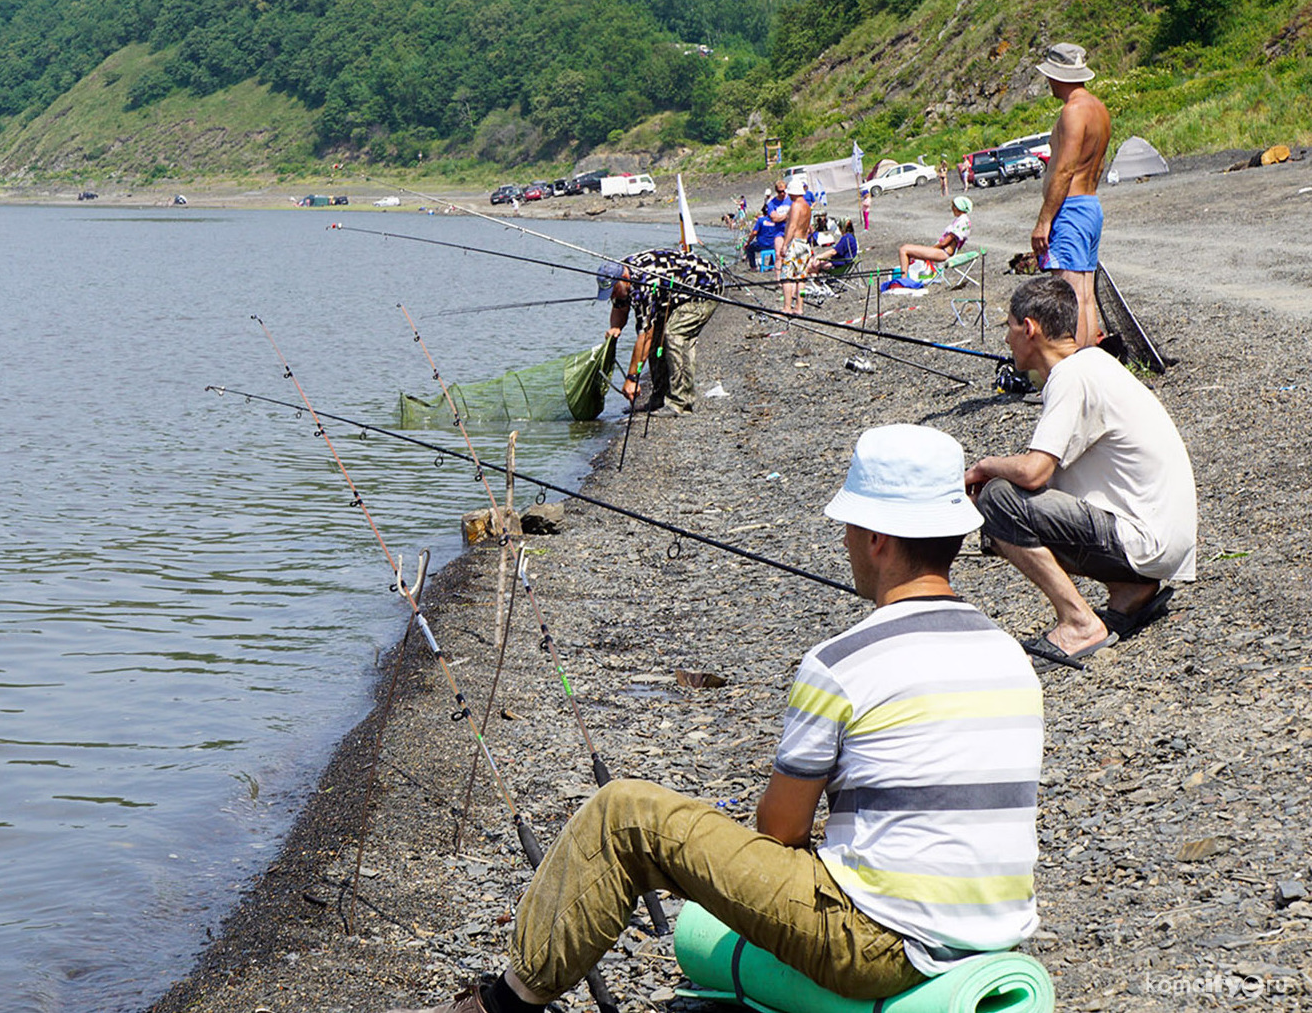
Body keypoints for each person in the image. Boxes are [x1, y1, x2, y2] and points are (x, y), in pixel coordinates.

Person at [389, 425, 1043, 1013]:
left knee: (625, 814)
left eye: (847, 527)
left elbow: (779, 831)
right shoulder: (1009, 654)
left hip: (879, 946)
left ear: (875, 539)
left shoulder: (843, 663)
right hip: (995, 931)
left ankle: (501, 1005)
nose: (843, 541)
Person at [965, 277, 1197, 666]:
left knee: (999, 499)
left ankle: (1078, 622)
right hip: (1161, 539)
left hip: (1144, 539)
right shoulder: (1093, 366)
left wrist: (984, 468)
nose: (1006, 339)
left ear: (1029, 327)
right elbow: (1049, 480)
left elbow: (1035, 472)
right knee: (1006, 503)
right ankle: (1129, 589)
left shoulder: (1072, 376)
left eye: (1008, 326)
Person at [1032, 42, 1112, 349]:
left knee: (1070, 296)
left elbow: (1065, 170)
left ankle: (1077, 373)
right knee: (1087, 295)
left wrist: (1044, 222)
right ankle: (1090, 366)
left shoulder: (1073, 111)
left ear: (1058, 76)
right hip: (1090, 204)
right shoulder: (1099, 110)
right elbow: (1098, 163)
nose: (1048, 82)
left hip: (1072, 208)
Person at [598, 247, 721, 416]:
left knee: (674, 336)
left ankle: (681, 403)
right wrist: (615, 327)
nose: (613, 296)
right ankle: (658, 398)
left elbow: (645, 336)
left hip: (703, 288)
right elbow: (620, 306)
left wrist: (632, 378)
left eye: (613, 290)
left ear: (625, 279)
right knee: (657, 340)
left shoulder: (643, 285)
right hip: (671, 293)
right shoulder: (621, 277)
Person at [896, 195, 971, 279]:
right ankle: (905, 278)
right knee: (906, 248)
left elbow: (944, 242)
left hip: (943, 252)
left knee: (904, 249)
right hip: (943, 251)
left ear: (958, 208)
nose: (952, 208)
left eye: (953, 206)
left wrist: (932, 249)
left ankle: (904, 279)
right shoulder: (963, 220)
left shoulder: (962, 221)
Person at [778, 174, 815, 314]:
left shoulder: (796, 206)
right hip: (804, 244)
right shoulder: (807, 206)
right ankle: (799, 307)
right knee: (801, 278)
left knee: (786, 277)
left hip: (795, 243)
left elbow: (792, 226)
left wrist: (785, 245)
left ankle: (787, 307)